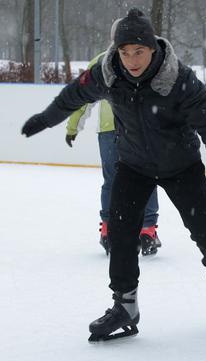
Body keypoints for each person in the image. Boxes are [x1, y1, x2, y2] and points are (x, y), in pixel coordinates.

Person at [21, 9, 206, 341]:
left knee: (203, 228)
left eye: (139, 52)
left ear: (153, 49)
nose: (131, 60)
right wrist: (45, 119)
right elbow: (73, 95)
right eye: (124, 52)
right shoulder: (108, 74)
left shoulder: (181, 80)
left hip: (181, 166)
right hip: (134, 165)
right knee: (121, 232)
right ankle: (125, 304)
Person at [66, 52, 162, 256]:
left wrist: (73, 127)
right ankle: (147, 230)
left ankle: (109, 230)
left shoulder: (101, 61)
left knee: (112, 180)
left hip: (110, 130)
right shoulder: (147, 58)